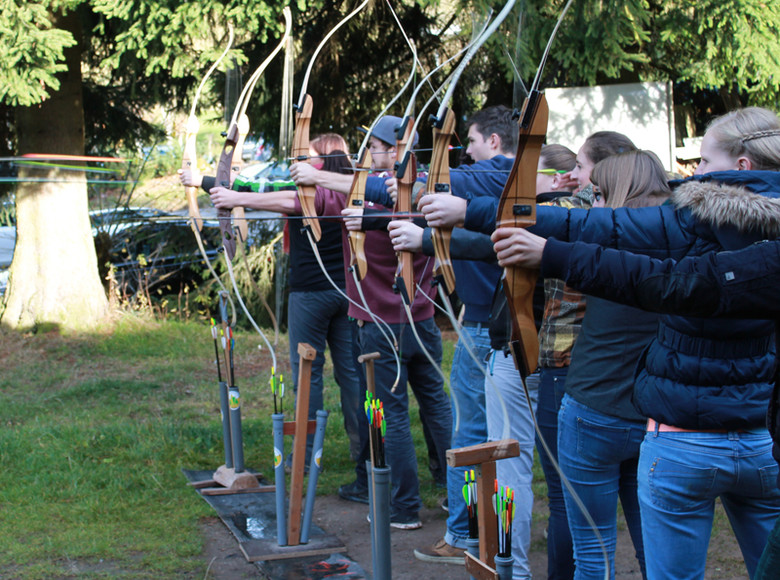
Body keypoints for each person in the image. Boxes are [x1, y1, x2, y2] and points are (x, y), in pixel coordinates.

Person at [487, 107, 780, 579]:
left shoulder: (679, 233)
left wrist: (545, 251)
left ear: (742, 168)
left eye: (703, 163)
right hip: (750, 432)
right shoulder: (687, 228)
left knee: (595, 543)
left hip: (660, 428)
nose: (695, 175)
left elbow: (637, 270)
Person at [181, 134, 370, 494]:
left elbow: (277, 193)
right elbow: (260, 186)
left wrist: (235, 197)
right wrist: (204, 182)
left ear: (323, 161)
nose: (299, 164)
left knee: (308, 375)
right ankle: (362, 453)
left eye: (307, 157)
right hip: (348, 293)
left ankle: (304, 454)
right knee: (351, 375)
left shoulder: (312, 191)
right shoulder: (357, 187)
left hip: (311, 296)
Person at [289, 115, 453, 530]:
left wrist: (315, 176)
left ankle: (402, 508)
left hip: (380, 327)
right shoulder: (430, 194)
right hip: (422, 322)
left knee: (390, 415)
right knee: (438, 408)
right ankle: (458, 500)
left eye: (376, 148)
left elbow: (327, 198)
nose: (368, 155)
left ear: (394, 151)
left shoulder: (370, 198)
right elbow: (303, 200)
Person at [553, 150, 669, 580]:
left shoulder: (602, 248)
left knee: (593, 555)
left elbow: (531, 242)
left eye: (600, 194)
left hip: (594, 413)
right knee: (656, 552)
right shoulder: (685, 247)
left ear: (619, 193)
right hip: (654, 419)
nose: (594, 205)